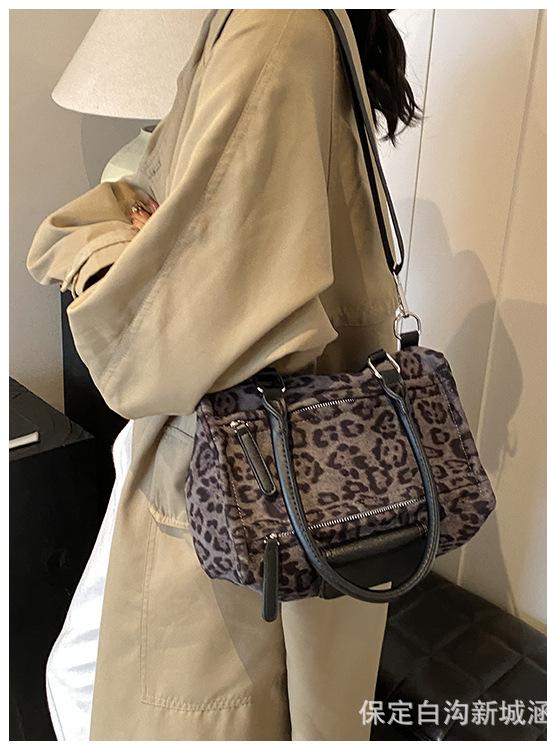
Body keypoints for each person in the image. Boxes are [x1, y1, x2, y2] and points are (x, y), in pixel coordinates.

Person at [26, 9, 420, 740]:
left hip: (228, 474)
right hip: (273, 464)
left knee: (99, 692)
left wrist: (103, 252)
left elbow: (162, 337)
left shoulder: (273, 28)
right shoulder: (295, 24)